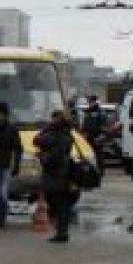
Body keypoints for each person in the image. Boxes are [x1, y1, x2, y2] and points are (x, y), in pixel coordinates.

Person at [34, 110, 75, 243]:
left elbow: (38, 140)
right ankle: (62, 231)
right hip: (64, 172)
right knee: (60, 201)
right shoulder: (67, 133)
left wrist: (42, 157)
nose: (50, 121)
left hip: (56, 173)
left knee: (58, 201)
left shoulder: (56, 134)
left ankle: (62, 232)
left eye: (53, 119)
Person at [81, 95, 106, 181]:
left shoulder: (100, 112)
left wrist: (101, 136)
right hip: (88, 136)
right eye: (89, 102)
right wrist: (83, 133)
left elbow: (103, 125)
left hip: (97, 136)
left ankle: (100, 171)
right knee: (88, 155)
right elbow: (84, 124)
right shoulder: (87, 112)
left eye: (91, 101)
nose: (89, 103)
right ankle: (90, 171)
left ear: (95, 101)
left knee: (98, 155)